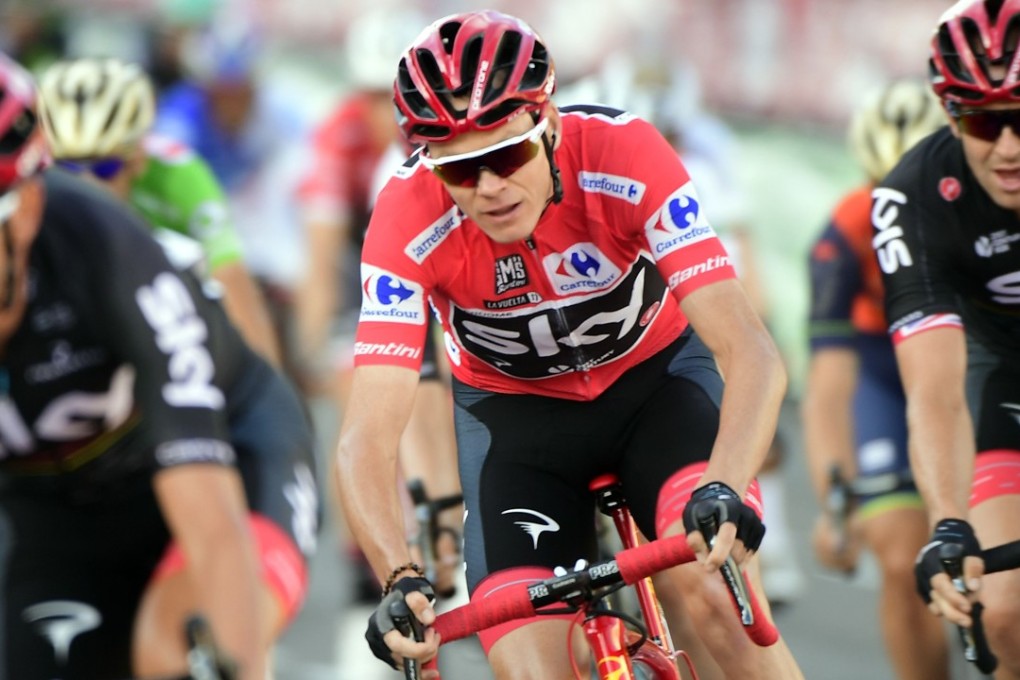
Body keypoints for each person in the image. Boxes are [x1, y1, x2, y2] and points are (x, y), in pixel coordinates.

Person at [335, 10, 804, 679]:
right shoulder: (404, 221)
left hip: (656, 390)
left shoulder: (626, 155)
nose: (489, 188)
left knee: (712, 593)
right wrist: (398, 575)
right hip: (519, 429)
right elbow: (366, 436)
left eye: (504, 155)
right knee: (530, 667)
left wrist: (725, 483)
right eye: (460, 171)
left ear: (548, 124)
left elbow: (749, 349)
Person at [0, 53, 318, 680]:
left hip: (226, 446)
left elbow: (209, 510)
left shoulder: (109, 247)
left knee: (176, 652)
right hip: (63, 507)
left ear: (27, 212)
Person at [294, 7, 463, 602]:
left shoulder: (447, 139)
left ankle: (447, 512)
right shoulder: (338, 139)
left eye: (391, 96)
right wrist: (309, 348)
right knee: (358, 388)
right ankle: (365, 553)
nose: (383, 114)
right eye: (370, 97)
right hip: (360, 262)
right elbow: (319, 260)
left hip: (441, 257)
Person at [879, 1, 1020, 676]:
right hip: (999, 373)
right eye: (984, 121)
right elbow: (934, 391)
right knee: (1004, 609)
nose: (1009, 147)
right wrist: (947, 521)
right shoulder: (912, 197)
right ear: (950, 114)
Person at [803, 78, 948, 680]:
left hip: (973, 358)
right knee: (896, 551)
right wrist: (835, 504)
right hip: (882, 367)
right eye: (884, 193)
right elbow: (829, 386)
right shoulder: (842, 233)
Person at [37, 56, 283, 368]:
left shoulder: (180, 176)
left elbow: (234, 285)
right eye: (67, 166)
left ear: (138, 156)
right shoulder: (29, 180)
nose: (85, 186)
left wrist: (268, 391)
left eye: (105, 167)